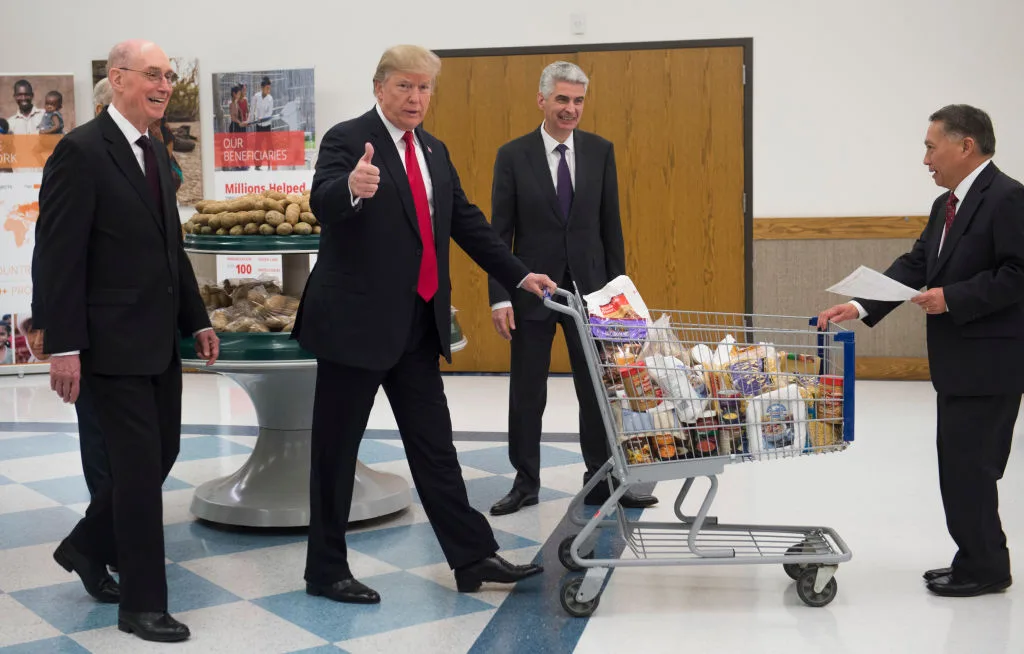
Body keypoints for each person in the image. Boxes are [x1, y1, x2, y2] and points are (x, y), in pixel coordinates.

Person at [293, 44, 555, 604]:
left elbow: (467, 222)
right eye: (405, 87)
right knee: (335, 454)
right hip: (355, 329)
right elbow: (323, 202)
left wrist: (518, 274)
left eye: (425, 88)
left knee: (436, 449)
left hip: (417, 325)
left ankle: (471, 557)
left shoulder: (433, 150)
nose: (416, 98)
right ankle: (325, 570)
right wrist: (350, 190)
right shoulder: (347, 138)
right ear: (380, 87)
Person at [31, 39, 219, 642]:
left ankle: (86, 548)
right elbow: (56, 256)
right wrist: (63, 345)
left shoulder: (157, 153)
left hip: (158, 341)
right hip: (107, 345)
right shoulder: (81, 151)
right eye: (152, 75)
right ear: (117, 79)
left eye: (168, 76)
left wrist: (197, 318)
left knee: (159, 458)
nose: (164, 86)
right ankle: (141, 604)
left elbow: (172, 251)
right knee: (138, 474)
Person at [818, 104, 1024, 598]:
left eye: (932, 147)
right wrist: (860, 304)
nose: (926, 159)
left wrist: (952, 297)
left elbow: (1018, 273)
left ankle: (987, 568)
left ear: (965, 145)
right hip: (959, 362)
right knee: (959, 464)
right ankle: (976, 559)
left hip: (990, 362)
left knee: (972, 465)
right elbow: (915, 265)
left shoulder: (1008, 198)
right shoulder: (946, 205)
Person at [487, 61, 657, 515]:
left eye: (578, 100)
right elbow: (498, 235)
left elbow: (610, 228)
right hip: (533, 292)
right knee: (527, 392)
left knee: (598, 389)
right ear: (542, 100)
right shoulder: (513, 155)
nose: (570, 109)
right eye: (562, 99)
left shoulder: (601, 152)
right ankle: (525, 482)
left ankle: (601, 476)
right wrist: (501, 295)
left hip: (591, 294)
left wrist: (620, 299)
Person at [251, 77, 273, 170]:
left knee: (269, 145)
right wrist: (253, 118)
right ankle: (257, 164)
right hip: (259, 125)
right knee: (258, 145)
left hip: (267, 125)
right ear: (262, 88)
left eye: (269, 88)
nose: (268, 90)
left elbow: (269, 112)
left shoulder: (270, 99)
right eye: (267, 88)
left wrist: (262, 118)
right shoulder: (256, 97)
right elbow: (252, 109)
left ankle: (269, 163)